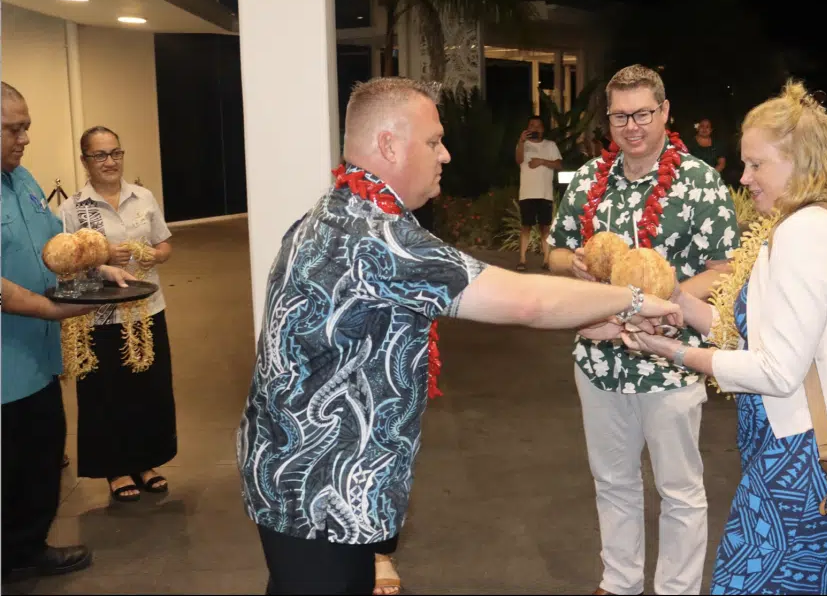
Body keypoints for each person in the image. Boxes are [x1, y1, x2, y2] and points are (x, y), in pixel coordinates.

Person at [235, 77, 686, 595]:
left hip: (296, 477)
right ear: (388, 145)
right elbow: (525, 300)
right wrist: (633, 299)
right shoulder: (376, 237)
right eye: (433, 141)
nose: (445, 154)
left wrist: (592, 320)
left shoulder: (339, 213)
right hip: (316, 492)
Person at [620, 80, 827, 595]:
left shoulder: (803, 236)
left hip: (799, 454)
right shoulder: (809, 222)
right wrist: (682, 308)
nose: (744, 177)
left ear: (800, 162)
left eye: (757, 164)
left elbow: (777, 372)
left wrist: (674, 352)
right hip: (802, 439)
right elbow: (761, 336)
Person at [547, 64, 739, 596]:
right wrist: (576, 264)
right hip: (599, 357)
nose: (632, 127)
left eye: (643, 114)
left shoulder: (699, 182)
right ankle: (620, 581)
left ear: (665, 113)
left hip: (671, 360)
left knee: (679, 488)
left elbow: (725, 268)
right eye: (620, 116)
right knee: (613, 481)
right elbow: (554, 250)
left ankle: (677, 589)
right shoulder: (589, 180)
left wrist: (668, 300)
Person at [1, 82, 133, 582]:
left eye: (27, 127)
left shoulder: (25, 179)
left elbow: (58, 243)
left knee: (39, 455)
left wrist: (96, 266)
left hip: (37, 360)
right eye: (14, 129)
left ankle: (25, 548)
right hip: (5, 361)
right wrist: (48, 308)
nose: (25, 138)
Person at [59, 126, 177, 502]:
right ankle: (115, 469)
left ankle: (146, 461)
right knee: (106, 393)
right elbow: (65, 263)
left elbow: (164, 243)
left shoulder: (142, 197)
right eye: (99, 155)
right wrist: (102, 259)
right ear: (84, 161)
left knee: (149, 389)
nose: (109, 161)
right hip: (99, 316)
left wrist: (155, 255)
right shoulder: (73, 208)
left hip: (146, 309)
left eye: (115, 153)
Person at [515, 115, 562, 271]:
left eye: (538, 125)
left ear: (543, 129)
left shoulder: (550, 145)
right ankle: (522, 259)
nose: (534, 128)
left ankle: (547, 260)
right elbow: (518, 159)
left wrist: (541, 161)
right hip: (527, 193)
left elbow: (558, 164)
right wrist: (521, 142)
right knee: (526, 226)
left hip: (544, 193)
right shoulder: (524, 145)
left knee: (545, 227)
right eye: (531, 125)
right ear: (527, 128)